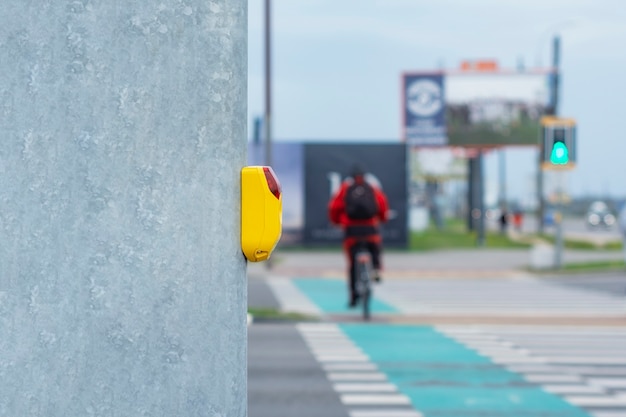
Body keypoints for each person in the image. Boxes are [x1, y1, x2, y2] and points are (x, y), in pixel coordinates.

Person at [328, 165, 389, 307]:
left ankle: (353, 297)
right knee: (375, 248)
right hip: (370, 228)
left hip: (351, 230)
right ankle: (375, 269)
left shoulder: (345, 189)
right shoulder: (372, 188)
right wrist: (382, 219)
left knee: (352, 265)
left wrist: (336, 221)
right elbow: (382, 204)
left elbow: (334, 207)